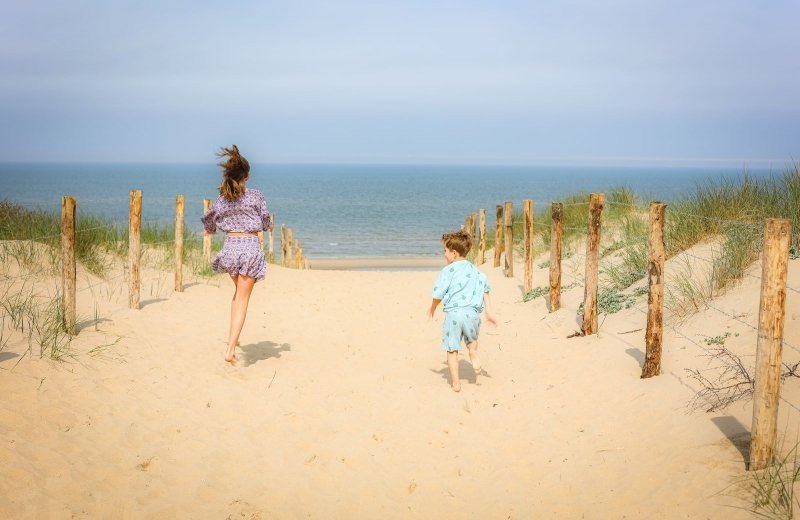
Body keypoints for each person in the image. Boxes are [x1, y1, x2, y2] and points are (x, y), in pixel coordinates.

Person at [201, 145, 274, 364]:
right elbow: (265, 221)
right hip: (249, 248)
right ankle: (230, 349)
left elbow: (209, 218)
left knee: (237, 297)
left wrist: (210, 230)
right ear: (247, 176)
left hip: (230, 248)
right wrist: (268, 225)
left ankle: (234, 338)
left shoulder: (222, 199)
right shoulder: (255, 196)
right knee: (242, 301)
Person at [427, 230, 497, 392]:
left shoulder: (448, 270)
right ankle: (472, 352)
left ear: (454, 253)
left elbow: (439, 293)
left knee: (452, 349)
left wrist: (433, 306)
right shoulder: (477, 271)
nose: (444, 254)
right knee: (472, 340)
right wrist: (489, 312)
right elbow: (485, 290)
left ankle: (456, 383)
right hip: (473, 314)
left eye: (445, 251)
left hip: (454, 314)